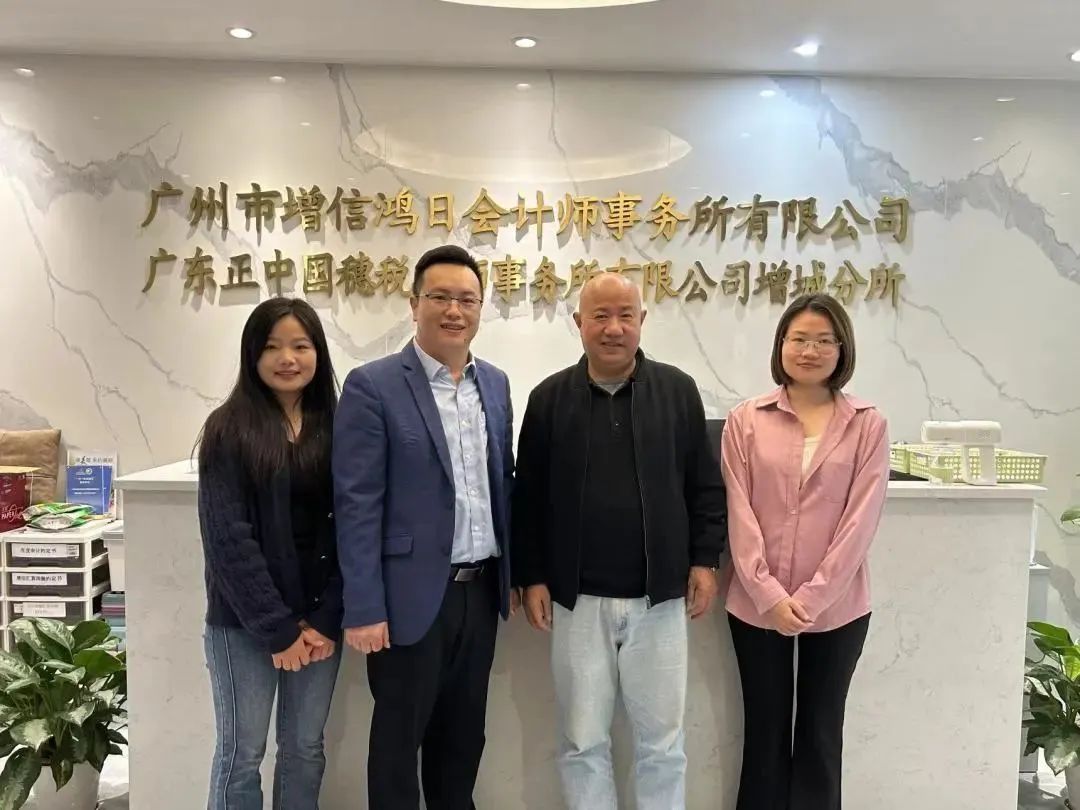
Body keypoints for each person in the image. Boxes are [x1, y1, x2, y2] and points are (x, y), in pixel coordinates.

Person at [513, 271, 727, 810]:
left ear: (642, 321)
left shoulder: (677, 391)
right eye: (600, 316)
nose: (613, 328)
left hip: (660, 599)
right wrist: (531, 575)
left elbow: (704, 485)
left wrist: (705, 561)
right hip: (577, 600)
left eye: (625, 315)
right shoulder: (548, 399)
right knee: (582, 740)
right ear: (579, 322)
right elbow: (527, 496)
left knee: (663, 745)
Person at [333, 244, 515, 810]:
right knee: (397, 743)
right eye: (439, 297)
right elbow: (356, 503)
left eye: (467, 299)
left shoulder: (496, 384)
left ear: (480, 308)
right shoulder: (373, 385)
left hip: (479, 593)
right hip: (407, 599)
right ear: (414, 304)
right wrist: (364, 606)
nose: (454, 310)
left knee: (463, 739)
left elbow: (503, 484)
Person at [721, 292, 889, 810]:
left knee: (820, 731)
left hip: (839, 608)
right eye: (799, 339)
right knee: (765, 732)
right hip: (756, 605)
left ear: (842, 349)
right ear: (781, 345)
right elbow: (739, 511)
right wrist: (768, 594)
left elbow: (860, 521)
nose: (810, 351)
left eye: (823, 341)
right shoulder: (746, 419)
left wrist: (813, 598)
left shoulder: (868, 424)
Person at [197, 297, 343, 810]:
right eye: (273, 347)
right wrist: (277, 629)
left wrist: (326, 618)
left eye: (301, 346)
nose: (288, 358)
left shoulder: (339, 425)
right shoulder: (228, 428)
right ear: (252, 354)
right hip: (243, 624)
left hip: (320, 624)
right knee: (241, 754)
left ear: (318, 353)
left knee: (304, 750)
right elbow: (227, 539)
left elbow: (353, 527)